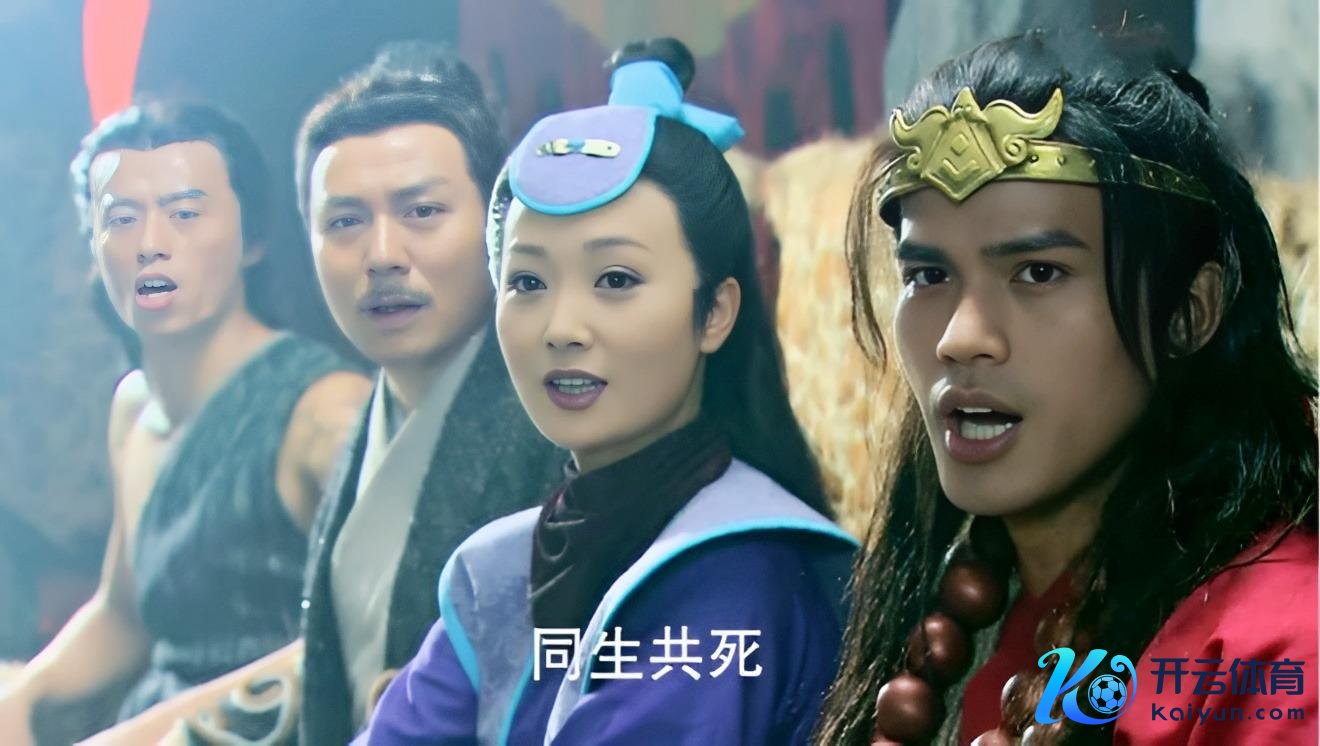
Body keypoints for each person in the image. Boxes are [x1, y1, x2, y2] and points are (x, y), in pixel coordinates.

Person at [814, 28, 1317, 746]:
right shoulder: (957, 615)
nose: (960, 337)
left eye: (1038, 272)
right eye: (927, 275)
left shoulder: (1278, 653)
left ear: (1188, 313)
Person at [355, 38, 859, 746]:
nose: (562, 328)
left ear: (715, 311)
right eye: (528, 282)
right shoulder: (501, 572)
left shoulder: (740, 578)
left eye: (616, 280)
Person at [83, 44, 564, 745]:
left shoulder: (551, 429)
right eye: (344, 222)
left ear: (498, 224)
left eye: (422, 211)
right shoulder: (379, 411)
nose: (382, 255)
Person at [0, 100, 371, 745]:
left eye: (185, 214)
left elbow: (362, 638)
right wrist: (23, 696)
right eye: (121, 219)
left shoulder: (324, 409)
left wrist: (134, 738)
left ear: (253, 240)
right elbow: (123, 616)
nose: (151, 244)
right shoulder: (134, 407)